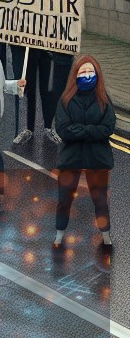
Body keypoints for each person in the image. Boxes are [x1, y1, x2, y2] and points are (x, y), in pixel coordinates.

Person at [52, 55, 114, 250]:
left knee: (100, 199)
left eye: (90, 72)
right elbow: (62, 129)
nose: (87, 76)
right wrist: (91, 131)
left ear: (97, 74)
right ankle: (59, 235)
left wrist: (80, 130)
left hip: (96, 159)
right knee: (64, 199)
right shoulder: (65, 99)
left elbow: (108, 127)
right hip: (71, 158)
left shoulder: (104, 99)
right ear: (75, 75)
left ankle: (106, 236)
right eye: (83, 72)